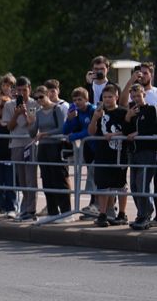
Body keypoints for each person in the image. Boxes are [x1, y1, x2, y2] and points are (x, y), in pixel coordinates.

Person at [90, 83, 129, 226]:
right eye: (105, 97)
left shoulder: (123, 112)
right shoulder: (99, 112)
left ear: (116, 97)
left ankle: (122, 214)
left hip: (119, 153)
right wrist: (95, 117)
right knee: (102, 185)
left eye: (110, 97)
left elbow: (127, 130)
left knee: (120, 184)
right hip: (102, 153)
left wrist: (114, 134)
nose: (107, 99)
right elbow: (91, 132)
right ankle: (102, 214)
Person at [2, 76, 39, 221]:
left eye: (25, 90)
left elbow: (32, 124)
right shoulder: (9, 105)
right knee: (21, 178)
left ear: (29, 89)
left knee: (31, 177)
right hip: (16, 143)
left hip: (30, 142)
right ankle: (25, 207)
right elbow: (9, 127)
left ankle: (31, 209)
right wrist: (16, 114)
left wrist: (24, 112)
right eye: (19, 90)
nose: (22, 92)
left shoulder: (34, 103)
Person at [34, 85, 70, 216]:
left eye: (41, 97)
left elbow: (62, 128)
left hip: (55, 146)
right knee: (47, 179)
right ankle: (52, 211)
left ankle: (66, 211)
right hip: (43, 148)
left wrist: (45, 134)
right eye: (36, 98)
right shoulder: (38, 112)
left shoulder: (57, 109)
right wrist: (30, 119)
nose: (39, 100)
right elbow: (33, 131)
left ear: (48, 95)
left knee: (59, 179)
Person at [126, 84, 157, 230]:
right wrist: (128, 117)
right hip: (134, 152)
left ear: (144, 94)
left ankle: (145, 215)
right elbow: (126, 132)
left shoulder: (151, 109)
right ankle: (143, 212)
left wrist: (138, 133)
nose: (136, 99)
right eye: (133, 96)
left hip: (147, 152)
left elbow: (153, 128)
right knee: (133, 185)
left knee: (142, 184)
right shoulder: (131, 110)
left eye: (138, 95)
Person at [62, 87, 96, 214]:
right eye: (75, 99)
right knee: (91, 175)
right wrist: (70, 119)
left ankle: (97, 205)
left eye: (80, 99)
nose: (77, 102)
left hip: (97, 146)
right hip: (87, 148)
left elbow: (90, 130)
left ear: (86, 99)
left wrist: (74, 136)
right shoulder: (76, 110)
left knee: (97, 175)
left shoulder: (91, 110)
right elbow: (65, 131)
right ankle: (93, 203)